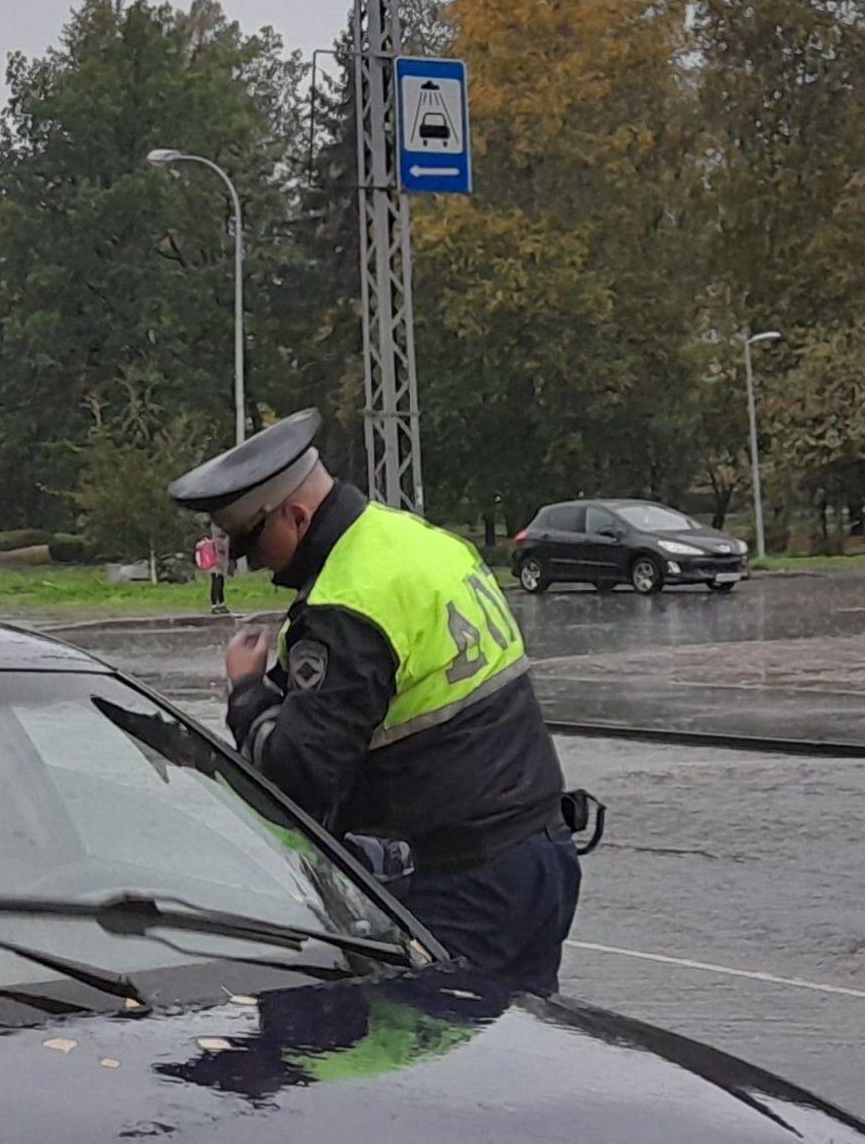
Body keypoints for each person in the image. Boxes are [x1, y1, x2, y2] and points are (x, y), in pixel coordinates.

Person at [168, 410, 582, 995]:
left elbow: (298, 781)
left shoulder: (348, 606)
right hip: (541, 852)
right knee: (525, 1050)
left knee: (434, 1070)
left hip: (466, 883)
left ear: (296, 515)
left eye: (252, 542)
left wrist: (248, 692)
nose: (252, 563)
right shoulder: (416, 541)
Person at [196, 529, 229, 613]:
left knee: (219, 584)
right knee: (217, 584)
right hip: (215, 565)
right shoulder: (217, 541)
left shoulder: (213, 540)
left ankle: (220, 604)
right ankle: (215, 606)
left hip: (217, 564)